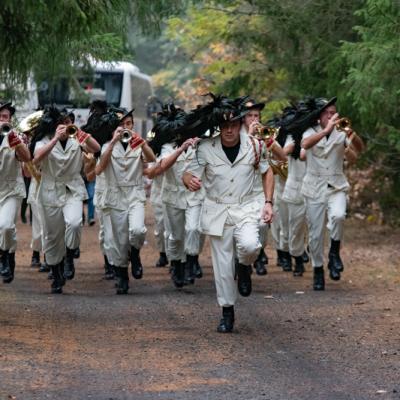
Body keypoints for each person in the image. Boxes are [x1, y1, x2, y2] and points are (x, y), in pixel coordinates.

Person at [183, 99, 274, 333]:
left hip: (246, 207)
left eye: (233, 124)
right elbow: (188, 172)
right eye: (225, 126)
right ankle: (227, 311)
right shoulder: (205, 148)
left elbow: (267, 172)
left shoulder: (255, 145)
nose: (230, 130)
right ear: (219, 127)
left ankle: (244, 266)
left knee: (251, 246)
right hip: (218, 210)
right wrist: (188, 180)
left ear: (240, 123)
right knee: (222, 265)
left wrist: (268, 202)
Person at [32, 107, 100, 293]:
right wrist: (55, 139)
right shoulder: (44, 141)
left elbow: (97, 148)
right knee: (52, 236)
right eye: (62, 124)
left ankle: (70, 256)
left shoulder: (76, 140)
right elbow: (37, 159)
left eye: (69, 123)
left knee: (74, 222)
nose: (66, 127)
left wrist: (81, 134)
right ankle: (56, 272)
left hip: (73, 189)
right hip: (50, 191)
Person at [301, 97, 364, 290]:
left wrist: (350, 134)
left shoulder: (341, 132)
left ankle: (334, 254)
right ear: (319, 116)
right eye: (327, 113)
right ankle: (318, 269)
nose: (331, 116)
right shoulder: (310, 131)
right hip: (314, 188)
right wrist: (326, 131)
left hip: (336, 185)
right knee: (315, 234)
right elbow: (304, 144)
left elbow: (358, 151)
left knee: (338, 216)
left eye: (333, 113)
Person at [95, 108, 156, 294]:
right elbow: (98, 170)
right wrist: (113, 141)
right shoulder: (107, 146)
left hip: (134, 195)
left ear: (133, 126)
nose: (125, 128)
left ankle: (135, 253)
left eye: (128, 124)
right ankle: (122, 276)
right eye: (121, 125)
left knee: (137, 230)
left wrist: (143, 143)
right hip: (115, 197)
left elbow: (152, 159)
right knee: (119, 241)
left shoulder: (137, 144)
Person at [240, 98, 287, 275]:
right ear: (243, 118)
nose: (254, 119)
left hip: (261, 190)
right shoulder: (236, 136)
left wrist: (268, 142)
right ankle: (244, 263)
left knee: (262, 225)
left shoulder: (266, 134)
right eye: (250, 115)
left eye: (256, 115)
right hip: (241, 191)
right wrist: (251, 137)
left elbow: (283, 157)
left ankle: (259, 253)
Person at [0, 101, 32, 283]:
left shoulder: (16, 136)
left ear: (10, 119)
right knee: (5, 229)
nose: (2, 120)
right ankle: (9, 254)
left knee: (5, 225)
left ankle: (4, 256)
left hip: (11, 189)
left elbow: (27, 158)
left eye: (5, 117)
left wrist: (14, 138)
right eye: (0, 116)